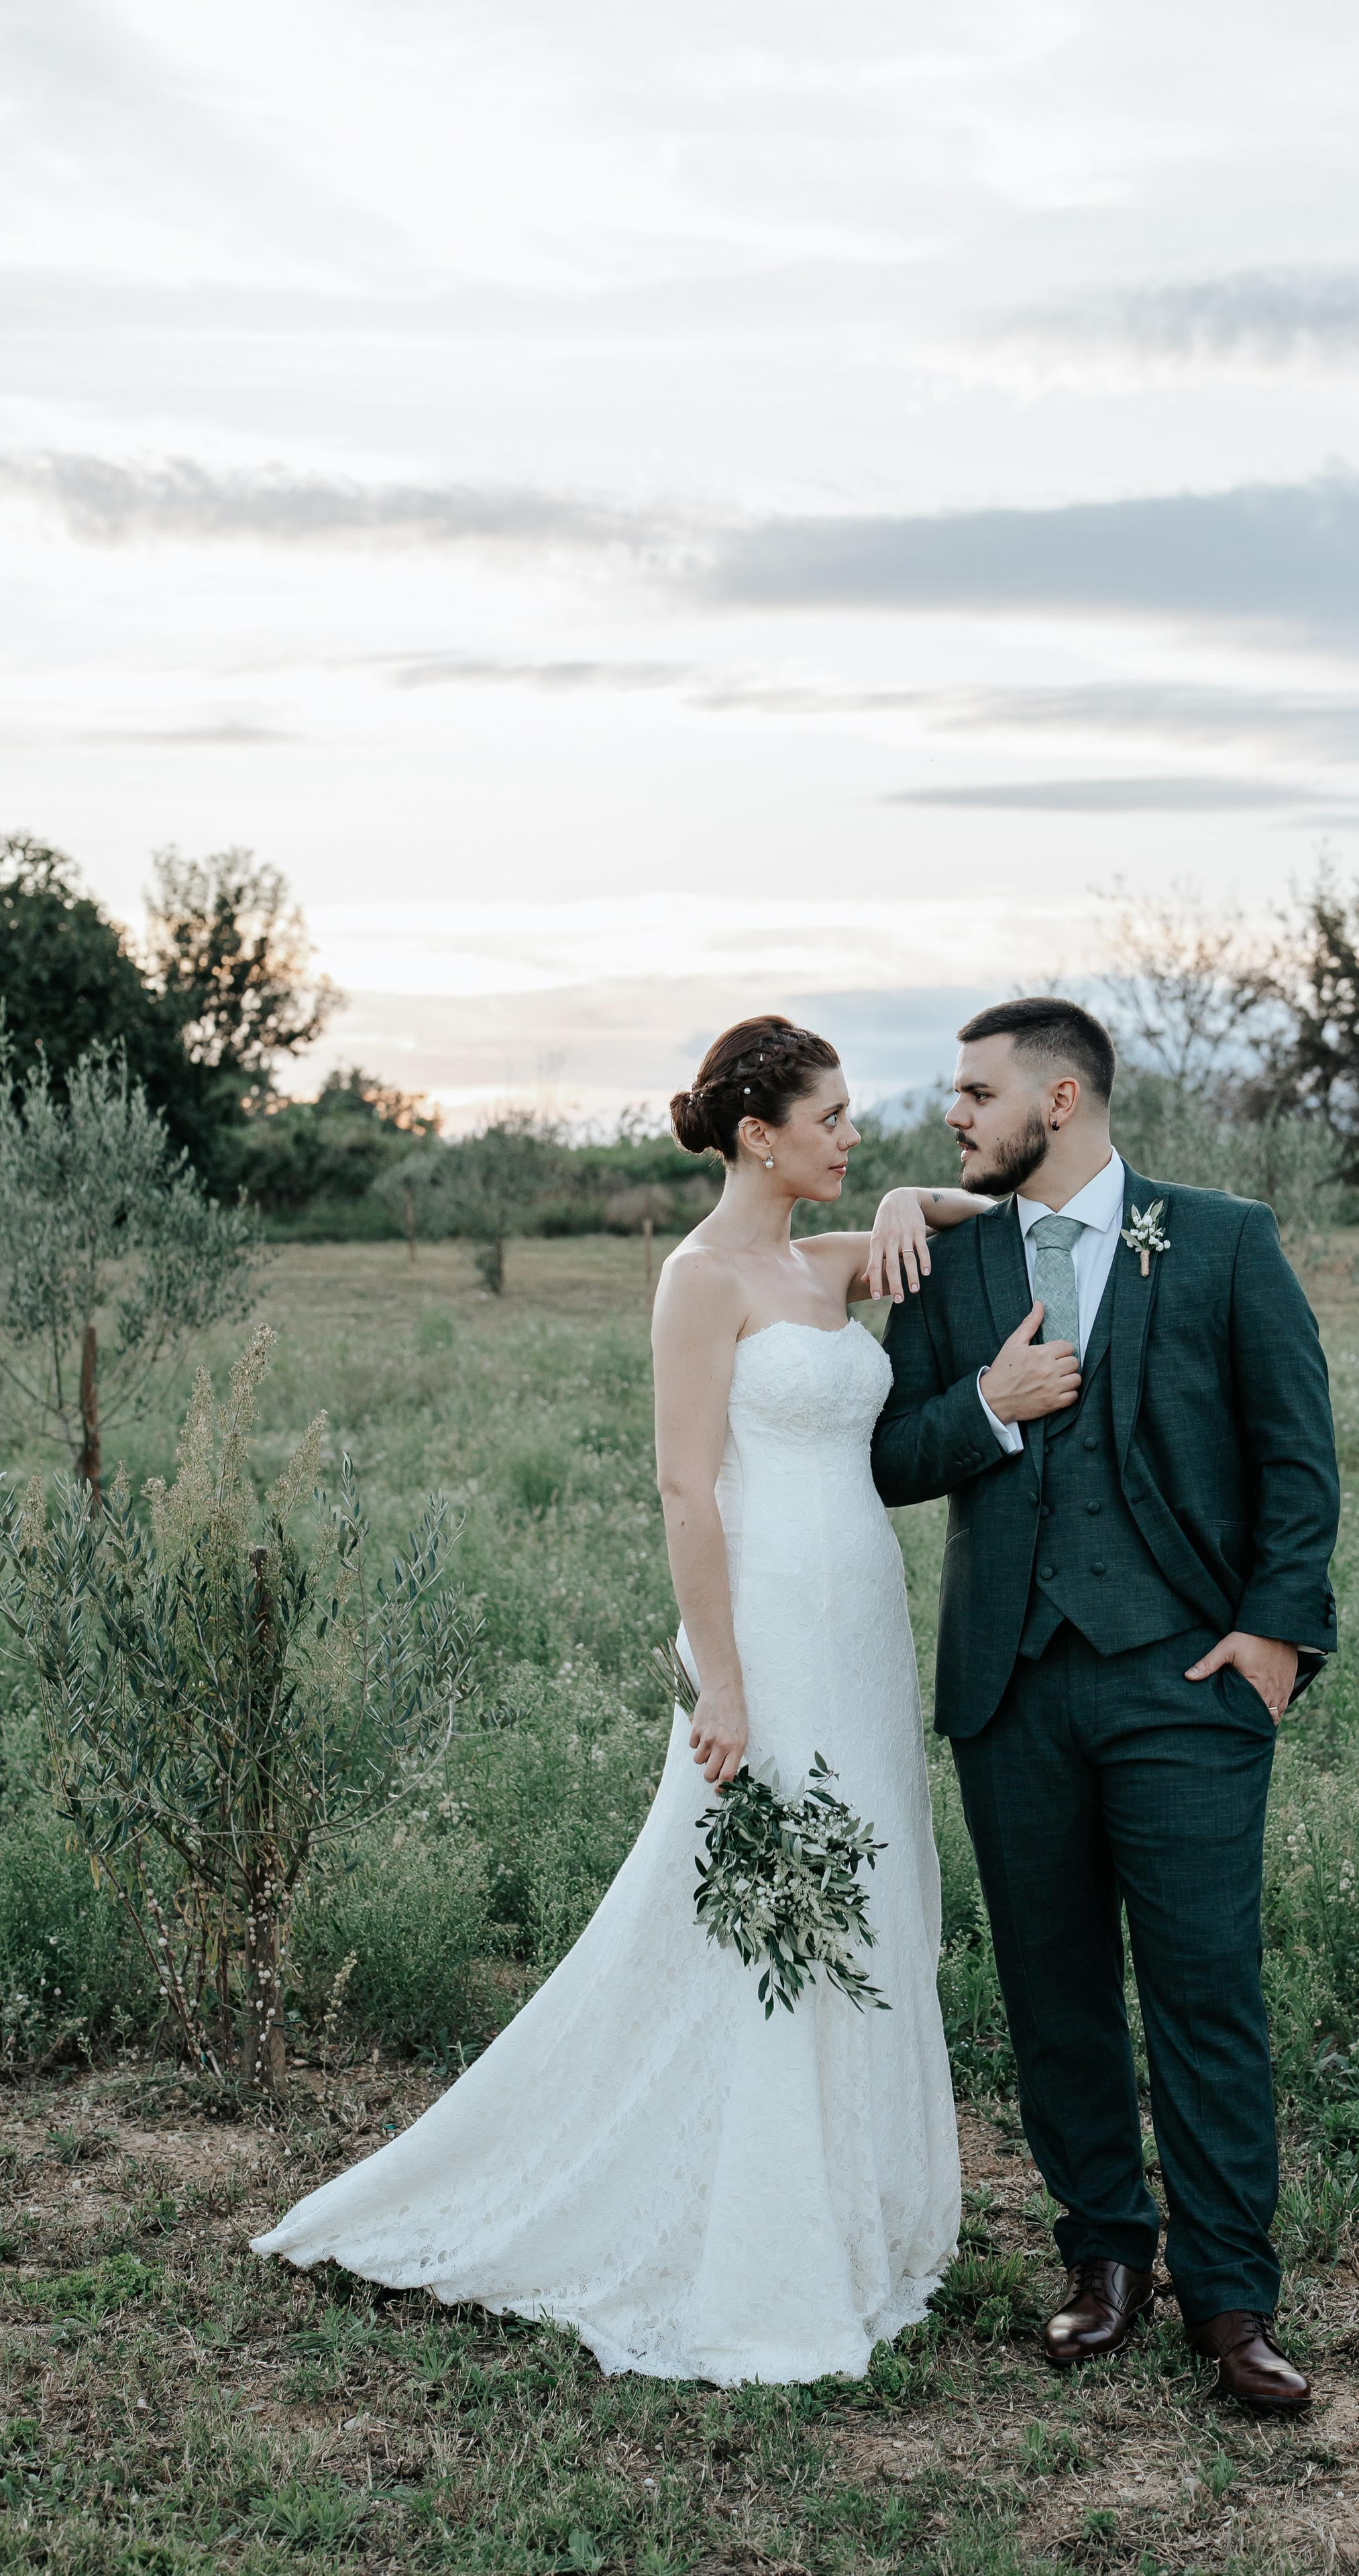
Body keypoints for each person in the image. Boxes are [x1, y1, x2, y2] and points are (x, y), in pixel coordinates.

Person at [253, 1014, 987, 2387]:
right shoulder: (699, 1280)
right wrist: (720, 1679)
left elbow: (973, 1204)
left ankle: (848, 2206)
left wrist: (899, 1197)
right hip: (761, 1626)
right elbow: (682, 1490)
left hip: (863, 1627)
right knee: (759, 1913)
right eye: (831, 1121)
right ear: (759, 1135)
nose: (849, 1137)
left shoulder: (835, 1262)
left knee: (866, 1892)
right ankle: (751, 2237)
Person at [871, 996, 1340, 2411]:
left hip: (1185, 1682)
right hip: (1011, 1686)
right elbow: (888, 1454)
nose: (952, 1116)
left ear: (1057, 1100)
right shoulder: (943, 1260)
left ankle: (1231, 2298)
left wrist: (1271, 1640)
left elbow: (1296, 1457)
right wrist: (990, 1403)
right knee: (1053, 1991)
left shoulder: (1221, 1239)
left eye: (973, 1093)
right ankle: (1102, 2262)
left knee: (1204, 1991)